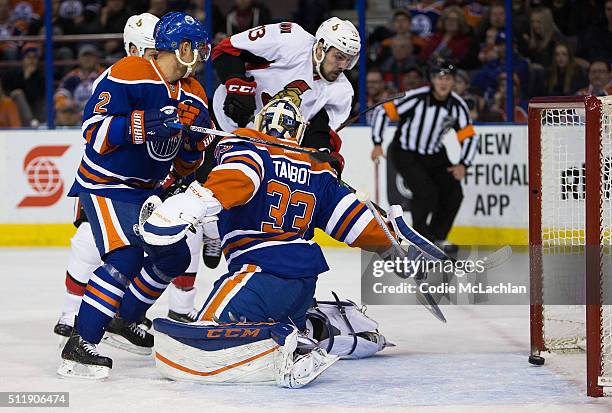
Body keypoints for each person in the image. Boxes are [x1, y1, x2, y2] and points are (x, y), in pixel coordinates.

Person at [139, 98, 395, 386]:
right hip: (302, 280)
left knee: (193, 344)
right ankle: (323, 331)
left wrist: (194, 202)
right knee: (271, 323)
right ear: (297, 131)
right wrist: (391, 237)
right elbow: (354, 223)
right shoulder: (318, 168)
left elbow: (238, 179)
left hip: (259, 273)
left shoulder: (250, 147)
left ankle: (292, 348)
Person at [57, 11, 212, 380]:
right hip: (106, 183)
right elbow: (93, 132)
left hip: (147, 191)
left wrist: (193, 142)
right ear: (182, 47)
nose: (203, 56)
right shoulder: (129, 71)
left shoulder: (195, 92)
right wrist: (147, 123)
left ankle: (122, 319)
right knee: (125, 255)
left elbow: (187, 164)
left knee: (173, 256)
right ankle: (80, 343)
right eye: (199, 48)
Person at [210, 17, 360, 169]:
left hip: (266, 153)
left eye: (348, 60)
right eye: (339, 57)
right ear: (321, 48)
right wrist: (240, 90)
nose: (343, 66)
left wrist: (324, 157)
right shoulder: (291, 40)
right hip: (223, 124)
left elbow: (317, 133)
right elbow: (226, 49)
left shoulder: (342, 92)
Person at [370, 61, 478, 252]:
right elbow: (382, 111)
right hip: (406, 152)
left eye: (447, 78)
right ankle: (419, 238)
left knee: (454, 193)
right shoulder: (417, 98)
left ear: (453, 81)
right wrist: (377, 143)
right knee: (426, 193)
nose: (443, 82)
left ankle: (436, 237)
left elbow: (468, 136)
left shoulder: (457, 106)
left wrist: (464, 164)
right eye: (439, 78)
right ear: (432, 80)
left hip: (435, 154)